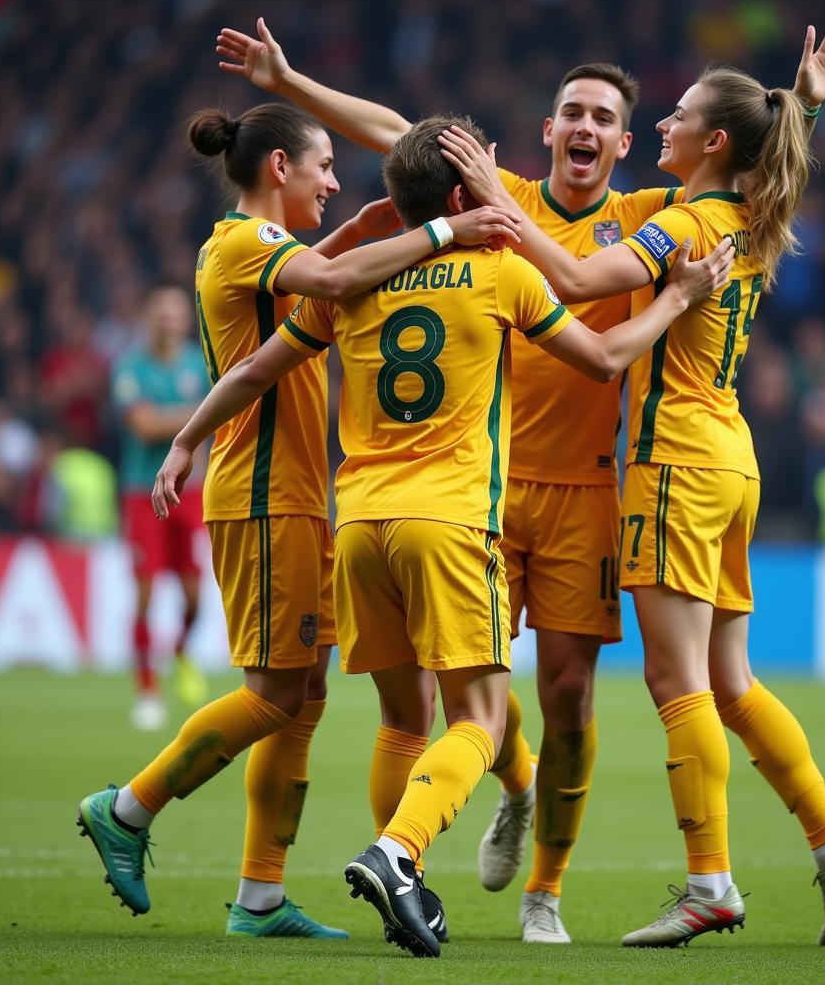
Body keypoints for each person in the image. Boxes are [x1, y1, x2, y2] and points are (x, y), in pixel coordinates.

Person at [214, 17, 813, 943]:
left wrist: (800, 106)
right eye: (571, 109)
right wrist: (291, 85)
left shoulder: (648, 215)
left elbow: (749, 183)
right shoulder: (505, 197)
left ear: (622, 142)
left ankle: (545, 894)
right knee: (429, 708)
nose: (586, 125)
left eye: (605, 117)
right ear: (546, 130)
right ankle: (420, 854)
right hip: (475, 495)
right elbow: (395, 134)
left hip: (575, 495)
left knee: (566, 698)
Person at [441, 25, 825, 950]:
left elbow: (566, 273)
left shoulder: (682, 225)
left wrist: (492, 198)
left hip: (674, 466)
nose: (662, 129)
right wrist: (802, 104)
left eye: (677, 118)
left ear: (714, 144)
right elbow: (778, 157)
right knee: (731, 681)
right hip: (732, 460)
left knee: (675, 680)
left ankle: (710, 883)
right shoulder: (751, 215)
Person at [77, 100, 521, 940]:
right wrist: (445, 236)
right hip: (265, 494)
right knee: (277, 694)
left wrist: (357, 225)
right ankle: (127, 809)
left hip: (295, 495)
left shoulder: (256, 249)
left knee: (304, 695)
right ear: (278, 168)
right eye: (321, 166)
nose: (331, 180)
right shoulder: (248, 241)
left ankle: (259, 897)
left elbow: (304, 289)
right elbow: (327, 284)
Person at [110, 285, 211, 731]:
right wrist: (198, 414)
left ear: (185, 320)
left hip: (190, 493)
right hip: (142, 492)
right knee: (146, 591)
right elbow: (145, 426)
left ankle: (181, 650)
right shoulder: (130, 368)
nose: (169, 321)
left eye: (176, 313)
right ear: (148, 318)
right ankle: (147, 690)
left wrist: (195, 417)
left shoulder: (199, 363)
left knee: (194, 600)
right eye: (161, 313)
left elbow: (219, 420)